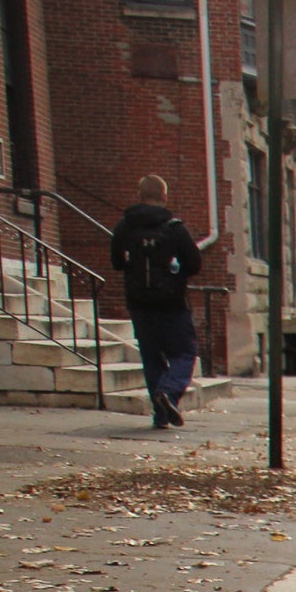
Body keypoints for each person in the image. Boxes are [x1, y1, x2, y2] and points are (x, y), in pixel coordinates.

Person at [111, 176, 203, 429]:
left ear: (139, 195)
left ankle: (160, 414)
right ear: (164, 197)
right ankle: (169, 392)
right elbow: (194, 263)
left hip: (139, 303)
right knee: (185, 353)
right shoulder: (174, 228)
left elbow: (116, 262)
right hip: (172, 304)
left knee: (152, 358)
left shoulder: (125, 227)